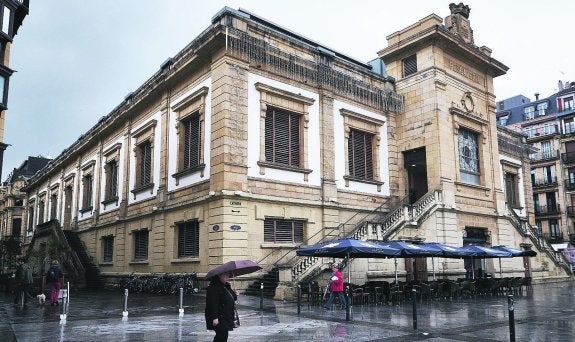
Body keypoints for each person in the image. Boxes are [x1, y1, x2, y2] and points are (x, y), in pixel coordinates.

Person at [205, 272, 237, 342]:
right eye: (226, 275)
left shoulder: (226, 286)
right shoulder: (213, 287)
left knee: (223, 335)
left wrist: (235, 294)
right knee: (222, 335)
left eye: (228, 276)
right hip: (219, 316)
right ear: (219, 276)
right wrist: (215, 317)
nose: (228, 277)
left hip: (225, 315)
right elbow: (212, 304)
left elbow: (233, 298)